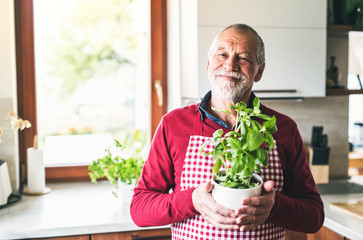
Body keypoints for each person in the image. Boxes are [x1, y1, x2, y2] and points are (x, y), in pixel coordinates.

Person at [130, 23, 324, 239]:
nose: (230, 64)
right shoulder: (174, 124)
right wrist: (192, 200)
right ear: (208, 63)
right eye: (222, 54)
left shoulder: (282, 128)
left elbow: (314, 216)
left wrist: (275, 205)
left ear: (259, 71)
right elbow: (139, 208)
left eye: (243, 58)